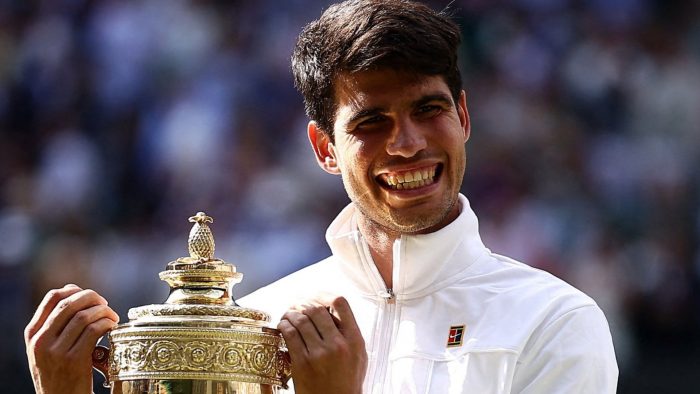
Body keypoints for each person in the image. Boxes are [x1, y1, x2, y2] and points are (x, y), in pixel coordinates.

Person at [25, 0, 618, 393]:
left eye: (428, 109)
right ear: (324, 148)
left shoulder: (553, 321)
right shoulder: (256, 326)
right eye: (371, 122)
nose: (407, 143)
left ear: (463, 116)